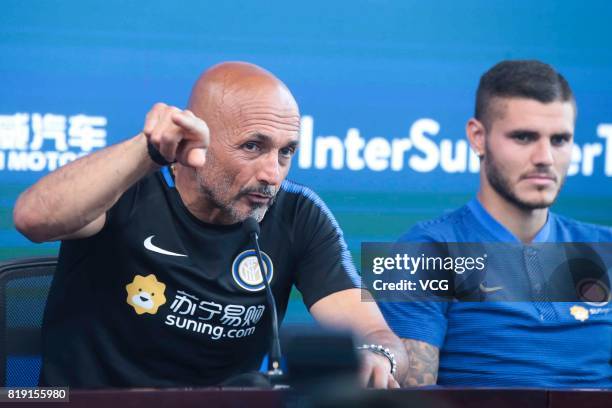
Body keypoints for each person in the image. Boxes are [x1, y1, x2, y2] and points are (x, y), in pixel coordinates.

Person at [13, 62, 407, 388]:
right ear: (197, 140)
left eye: (286, 152)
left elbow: (378, 335)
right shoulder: (125, 189)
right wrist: (148, 150)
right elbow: (32, 219)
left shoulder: (298, 214)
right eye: (253, 146)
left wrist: (378, 356)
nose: (273, 173)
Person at [379, 60, 612, 388]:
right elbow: (410, 399)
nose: (545, 156)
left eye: (559, 140)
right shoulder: (422, 250)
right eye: (524, 137)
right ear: (477, 137)